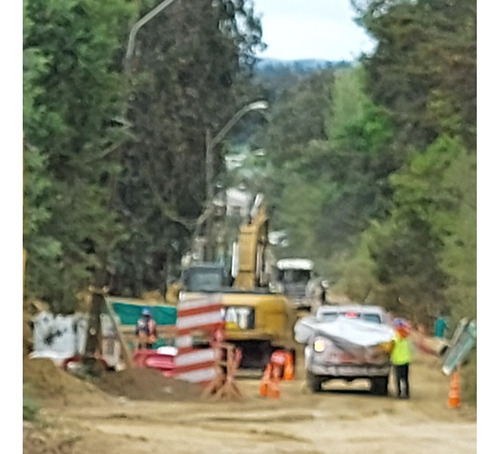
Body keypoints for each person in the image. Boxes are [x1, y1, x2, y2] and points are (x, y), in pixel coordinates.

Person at [391, 318, 413, 399]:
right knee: (405, 378)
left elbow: (391, 346)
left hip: (397, 360)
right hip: (405, 360)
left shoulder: (395, 336)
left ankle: (399, 393)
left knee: (398, 379)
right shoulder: (405, 336)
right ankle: (406, 393)